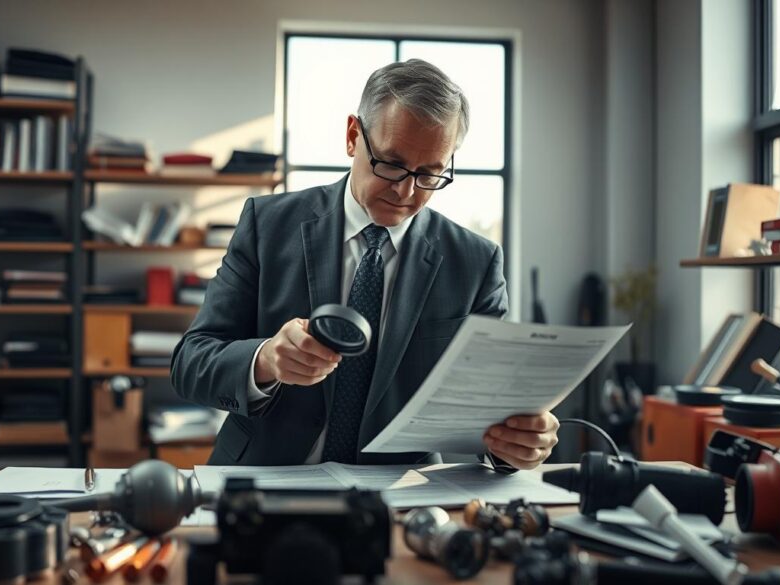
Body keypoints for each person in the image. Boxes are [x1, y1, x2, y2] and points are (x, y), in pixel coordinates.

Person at [172, 59, 559, 470]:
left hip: (401, 497)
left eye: (430, 174)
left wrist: (516, 442)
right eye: (391, 163)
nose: (405, 191)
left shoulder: (476, 262)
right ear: (353, 136)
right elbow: (190, 362)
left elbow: (493, 407)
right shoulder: (266, 225)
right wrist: (266, 359)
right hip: (262, 480)